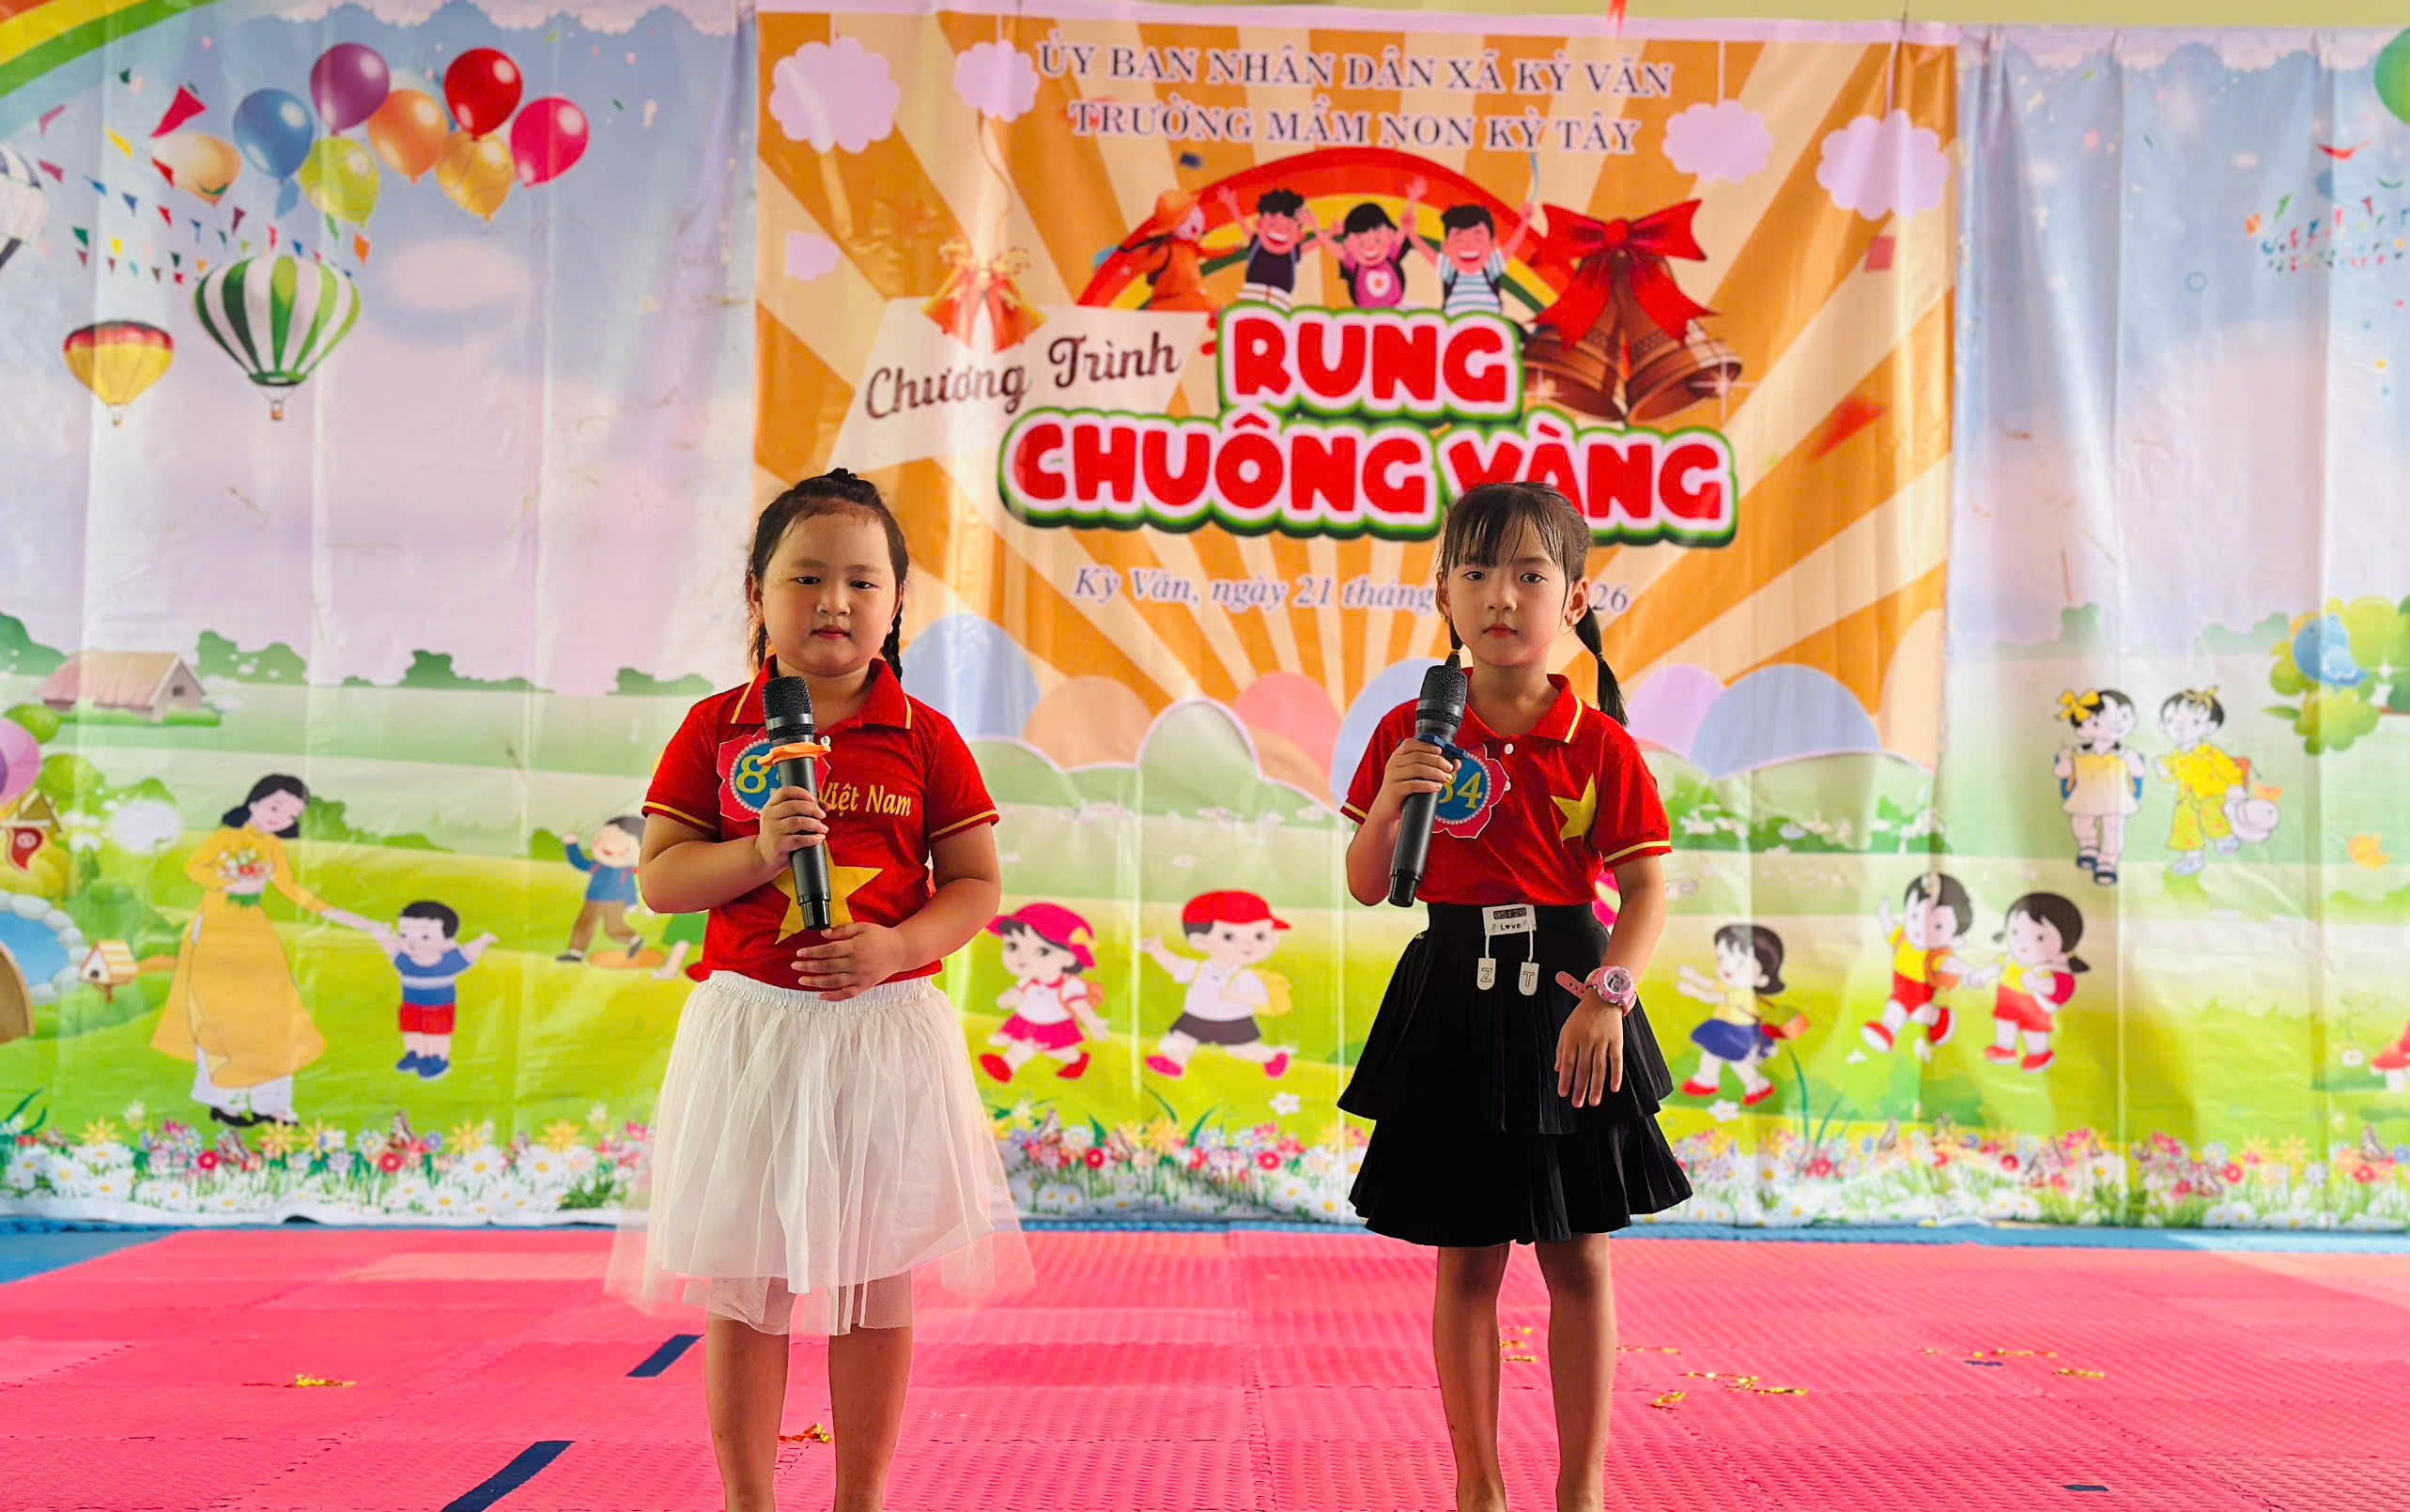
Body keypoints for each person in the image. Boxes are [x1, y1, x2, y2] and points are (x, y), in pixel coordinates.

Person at [607, 469, 1030, 1512]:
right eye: (805, 577)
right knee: (748, 1286)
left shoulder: (925, 735)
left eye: (860, 581)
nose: (833, 602)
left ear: (896, 603)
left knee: (875, 1283)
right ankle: (748, 1498)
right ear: (756, 593)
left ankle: (860, 1498)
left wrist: (897, 948)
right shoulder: (715, 727)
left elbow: (975, 885)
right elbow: (662, 880)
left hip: (884, 1038)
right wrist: (756, 852)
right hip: (754, 1038)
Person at [1337, 480, 1690, 1512]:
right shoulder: (1410, 729)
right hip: (1451, 997)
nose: (1502, 595)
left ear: (1572, 599)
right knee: (1466, 1263)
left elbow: (1647, 888)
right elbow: (1366, 883)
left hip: (1573, 1000)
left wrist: (1609, 997)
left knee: (1579, 1259)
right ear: (1443, 594)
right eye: (1477, 571)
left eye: (1531, 574)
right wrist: (1393, 798)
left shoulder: (1600, 741)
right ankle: (1477, 1487)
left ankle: (1581, 1487)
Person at [147, 775, 376, 1127]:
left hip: (254, 932)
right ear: (254, 802)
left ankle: (272, 1103)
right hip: (215, 932)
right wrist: (231, 883)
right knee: (219, 1014)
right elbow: (194, 868)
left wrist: (348, 918)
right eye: (275, 807)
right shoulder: (224, 838)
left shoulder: (273, 847)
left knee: (272, 1015)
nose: (280, 818)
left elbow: (292, 889)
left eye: (291, 815)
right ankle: (224, 1099)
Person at [369, 901, 497, 1080]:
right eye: (404, 934)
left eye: (425, 936)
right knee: (411, 1030)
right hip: (411, 1005)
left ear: (447, 939)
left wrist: (483, 940)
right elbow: (391, 948)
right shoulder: (405, 961)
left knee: (436, 1034)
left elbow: (469, 952)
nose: (412, 942)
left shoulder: (448, 962)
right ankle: (415, 1054)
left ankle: (437, 1059)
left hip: (438, 1008)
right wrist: (382, 936)